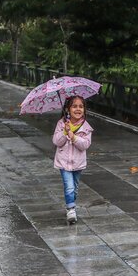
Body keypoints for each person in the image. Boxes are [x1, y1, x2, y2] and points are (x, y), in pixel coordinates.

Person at [52, 95, 93, 225]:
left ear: (84, 110)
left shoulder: (86, 127)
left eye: (81, 106)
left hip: (78, 162)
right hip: (64, 162)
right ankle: (71, 209)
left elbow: (85, 145)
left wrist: (73, 137)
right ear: (68, 109)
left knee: (74, 188)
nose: (78, 109)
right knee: (68, 186)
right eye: (74, 106)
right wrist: (65, 132)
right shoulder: (62, 123)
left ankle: (71, 202)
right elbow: (56, 142)